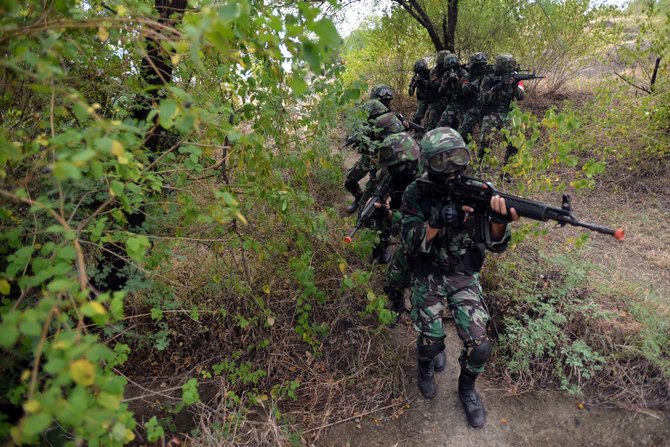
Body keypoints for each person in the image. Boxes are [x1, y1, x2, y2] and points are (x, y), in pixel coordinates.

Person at [400, 127, 519, 427]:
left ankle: (467, 389)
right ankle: (426, 365)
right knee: (430, 342)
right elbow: (409, 240)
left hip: (462, 273)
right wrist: (436, 222)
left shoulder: (480, 191)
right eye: (442, 161)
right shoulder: (416, 192)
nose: (452, 168)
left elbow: (498, 244)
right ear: (428, 163)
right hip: (428, 272)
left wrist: (498, 223)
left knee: (480, 347)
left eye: (458, 158)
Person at [344, 85, 406, 214]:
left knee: (375, 188)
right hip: (371, 156)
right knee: (350, 181)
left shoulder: (392, 118)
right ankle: (359, 199)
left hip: (386, 159)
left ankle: (369, 208)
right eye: (384, 101)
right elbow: (357, 131)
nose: (387, 104)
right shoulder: (372, 116)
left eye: (388, 101)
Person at [478, 54, 526, 166]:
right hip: (490, 113)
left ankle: (508, 168)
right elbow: (483, 99)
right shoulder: (488, 79)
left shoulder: (515, 78)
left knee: (514, 142)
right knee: (485, 142)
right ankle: (482, 166)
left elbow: (521, 96)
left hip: (507, 114)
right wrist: (497, 87)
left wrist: (514, 86)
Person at [459, 52, 489, 144]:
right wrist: (478, 81)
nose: (480, 68)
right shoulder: (467, 76)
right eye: (478, 66)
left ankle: (483, 157)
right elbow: (465, 90)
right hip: (471, 109)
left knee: (486, 139)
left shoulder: (488, 76)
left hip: (484, 110)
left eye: (482, 65)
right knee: (463, 135)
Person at [437, 53, 469, 130]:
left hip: (463, 105)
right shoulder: (447, 74)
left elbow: (466, 90)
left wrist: (457, 80)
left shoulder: (464, 73)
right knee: (441, 127)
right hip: (452, 104)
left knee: (463, 130)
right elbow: (440, 91)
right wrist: (446, 81)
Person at [424, 50, 451, 131]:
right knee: (431, 125)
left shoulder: (449, 70)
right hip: (436, 102)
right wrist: (445, 79)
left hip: (447, 101)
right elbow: (434, 84)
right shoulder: (435, 71)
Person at [408, 59, 431, 125]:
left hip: (433, 100)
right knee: (416, 117)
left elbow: (432, 85)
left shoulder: (430, 74)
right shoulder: (415, 77)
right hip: (423, 99)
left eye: (421, 71)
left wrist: (422, 81)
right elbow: (410, 93)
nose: (420, 73)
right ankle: (418, 132)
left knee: (430, 118)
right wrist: (413, 84)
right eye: (418, 72)